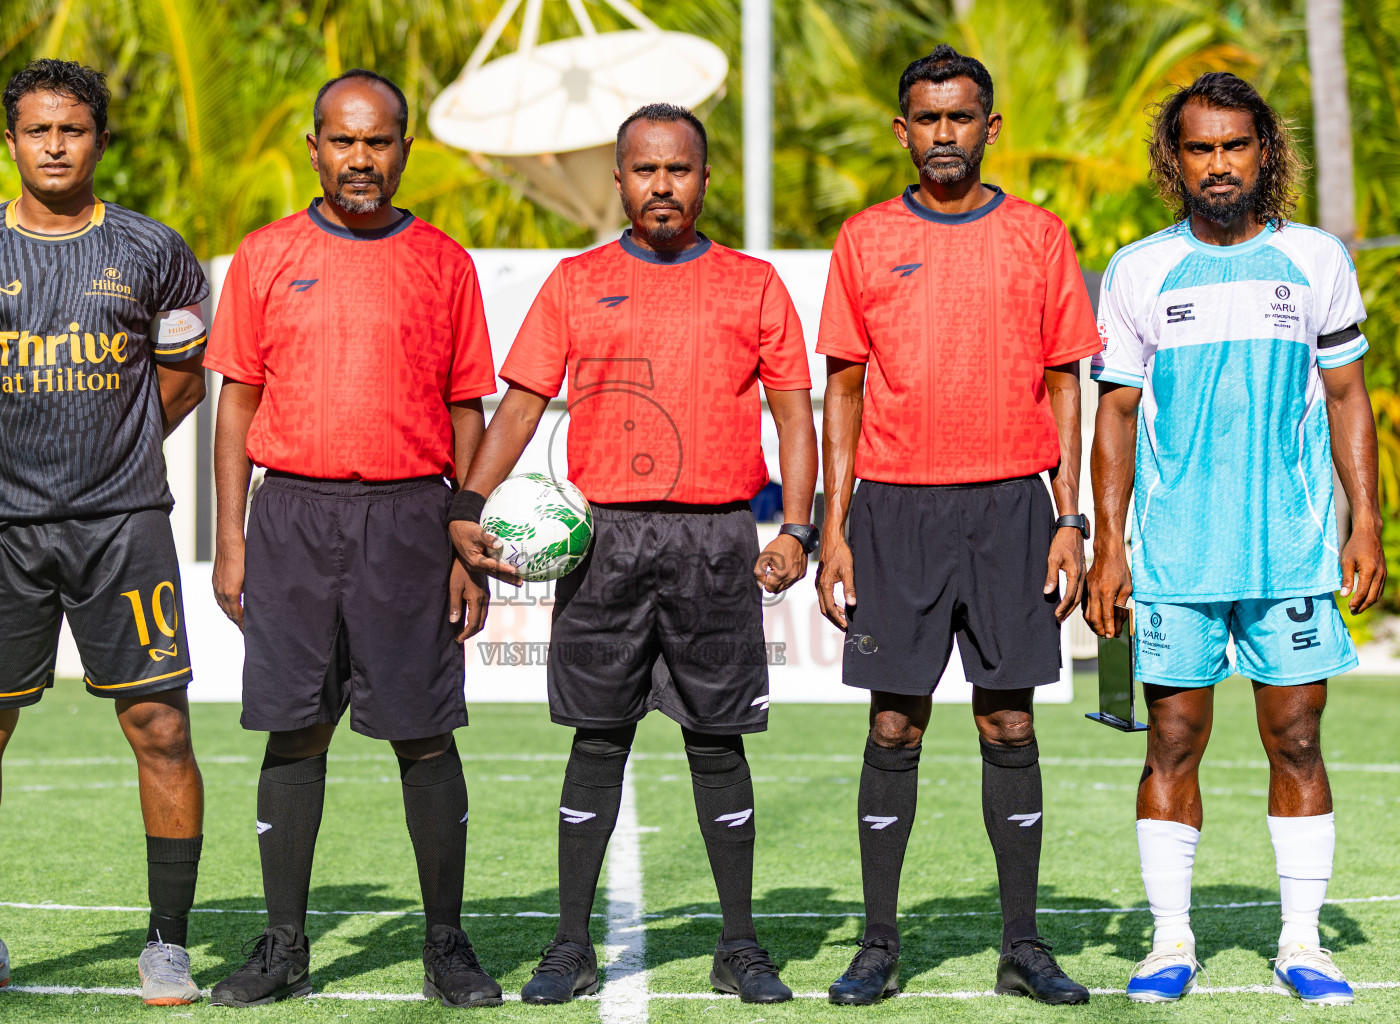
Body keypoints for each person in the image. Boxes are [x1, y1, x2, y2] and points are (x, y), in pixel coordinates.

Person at [449, 103, 818, 1005]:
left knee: (716, 741)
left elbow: (794, 416)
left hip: (717, 540)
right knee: (598, 737)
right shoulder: (577, 281)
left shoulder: (754, 284)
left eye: (679, 169)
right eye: (645, 170)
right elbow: (525, 404)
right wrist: (465, 505)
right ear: (618, 180)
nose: (662, 185)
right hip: (602, 540)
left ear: (703, 177)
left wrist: (798, 528)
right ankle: (571, 944)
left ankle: (738, 943)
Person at [0, 59, 211, 1006]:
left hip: (123, 528)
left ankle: (167, 946)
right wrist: (20, 442)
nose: (53, 145)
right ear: (10, 141)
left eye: (71, 130)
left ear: (99, 140)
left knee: (159, 726)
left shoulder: (155, 250)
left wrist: (107, 452)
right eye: (36, 130)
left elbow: (184, 378)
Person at [1086, 72, 1386, 1006]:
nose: (1220, 164)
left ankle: (1304, 944)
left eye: (1236, 145)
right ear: (1174, 161)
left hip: (1290, 549)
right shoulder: (1140, 269)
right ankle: (1170, 942)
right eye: (1201, 148)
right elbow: (1117, 414)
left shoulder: (1318, 259)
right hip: (1175, 555)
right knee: (1171, 741)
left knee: (1296, 739)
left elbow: (1345, 395)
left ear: (1267, 153)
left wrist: (1364, 519)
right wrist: (1109, 544)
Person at [205, 69, 501, 1008]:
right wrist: (232, 538)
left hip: (411, 521)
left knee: (423, 735)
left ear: (405, 149)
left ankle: (446, 944)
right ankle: (283, 944)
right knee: (294, 731)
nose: (360, 159)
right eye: (343, 140)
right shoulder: (263, 255)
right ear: (315, 148)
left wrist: (464, 538)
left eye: (378, 142)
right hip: (290, 516)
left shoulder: (444, 261)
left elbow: (467, 408)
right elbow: (236, 403)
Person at [813, 45, 1098, 1006]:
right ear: (905, 130)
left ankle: (1022, 945)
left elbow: (1067, 380)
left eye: (961, 117)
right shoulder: (862, 238)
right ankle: (878, 943)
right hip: (894, 510)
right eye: (928, 119)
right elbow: (842, 387)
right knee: (894, 724)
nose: (945, 134)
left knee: (1008, 718)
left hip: (1014, 506)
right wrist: (835, 526)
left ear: (989, 126)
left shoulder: (1040, 237)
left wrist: (1070, 517)